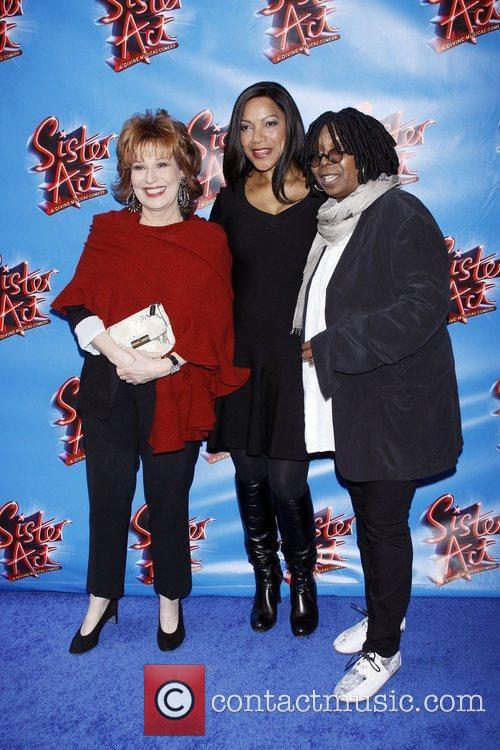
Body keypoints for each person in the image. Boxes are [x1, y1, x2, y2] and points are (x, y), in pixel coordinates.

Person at [51, 109, 249, 654]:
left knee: (168, 502)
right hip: (109, 386)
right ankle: (101, 599)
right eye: (139, 166)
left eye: (163, 163)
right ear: (126, 176)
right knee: (107, 497)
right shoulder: (107, 231)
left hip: (177, 393)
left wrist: (162, 365)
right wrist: (118, 354)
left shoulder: (208, 241)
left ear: (186, 170)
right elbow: (79, 303)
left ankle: (170, 600)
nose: (151, 177)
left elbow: (215, 328)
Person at [297, 107, 463, 699]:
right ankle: (384, 613)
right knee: (371, 518)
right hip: (358, 400)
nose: (326, 164)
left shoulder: (398, 212)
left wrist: (337, 345)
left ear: (368, 152)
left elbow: (425, 308)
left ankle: (385, 649)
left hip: (397, 405)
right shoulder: (335, 223)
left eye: (338, 150)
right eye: (317, 154)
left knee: (384, 522)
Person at [208, 82, 326, 637]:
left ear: (289, 126)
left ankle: (303, 579)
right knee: (250, 475)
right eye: (247, 126)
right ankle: (265, 580)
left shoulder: (324, 198)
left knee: (285, 482)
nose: (258, 137)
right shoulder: (227, 201)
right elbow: (204, 282)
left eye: (270, 123)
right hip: (241, 358)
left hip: (298, 363)